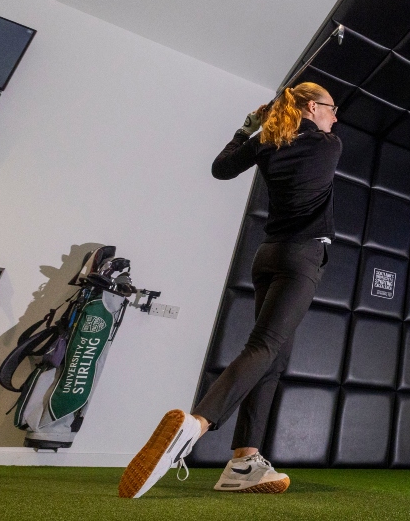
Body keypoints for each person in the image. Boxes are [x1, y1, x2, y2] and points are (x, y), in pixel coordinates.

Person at [118, 82, 340, 498]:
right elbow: (315, 132)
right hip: (301, 259)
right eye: (331, 108)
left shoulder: (266, 144)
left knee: (274, 358)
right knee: (263, 347)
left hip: (268, 256)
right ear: (313, 107)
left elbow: (221, 169)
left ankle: (243, 461)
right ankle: (194, 426)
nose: (335, 116)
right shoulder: (329, 145)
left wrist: (247, 128)